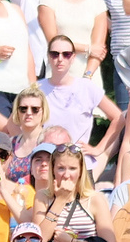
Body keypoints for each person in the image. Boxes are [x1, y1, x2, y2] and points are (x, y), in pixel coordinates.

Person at [38, 35, 122, 170]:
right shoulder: (37, 89)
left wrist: (98, 149)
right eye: (55, 54)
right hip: (45, 165)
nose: (60, 59)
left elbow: (119, 117)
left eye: (66, 54)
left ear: (73, 57)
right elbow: (19, 122)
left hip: (79, 165)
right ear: (48, 56)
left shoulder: (86, 87)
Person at [39, 0, 109, 94]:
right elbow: (53, 40)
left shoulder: (97, 3)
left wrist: (87, 76)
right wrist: (88, 48)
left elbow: (99, 49)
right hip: (57, 76)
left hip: (88, 78)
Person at [29, 144, 114, 242]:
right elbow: (39, 241)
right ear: (53, 170)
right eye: (61, 168)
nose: (66, 175)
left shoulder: (95, 199)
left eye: (72, 168)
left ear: (81, 171)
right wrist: (60, 201)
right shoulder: (42, 196)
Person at [0, 85, 49, 182]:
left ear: (43, 112)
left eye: (35, 109)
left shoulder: (48, 142)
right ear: (17, 112)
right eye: (23, 109)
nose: (29, 113)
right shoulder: (10, 144)